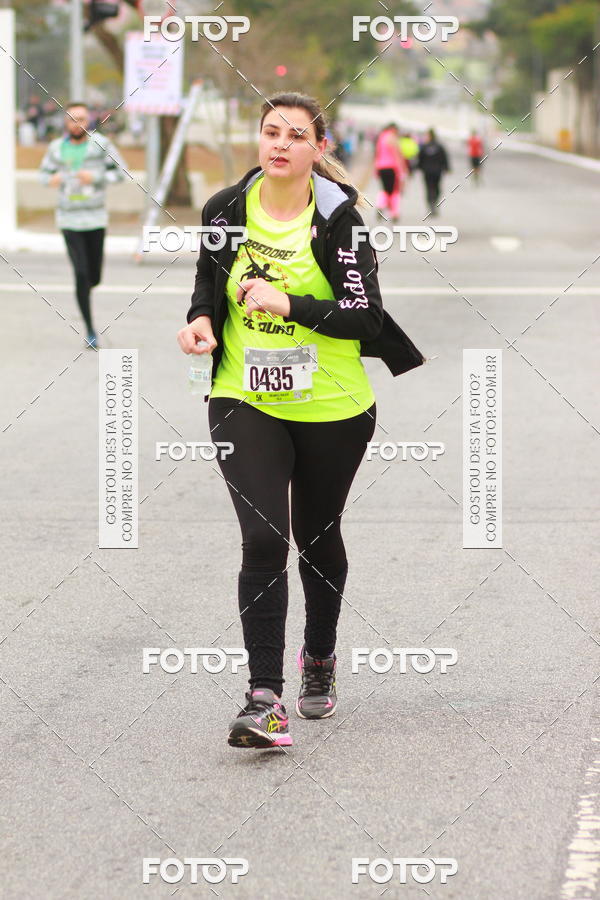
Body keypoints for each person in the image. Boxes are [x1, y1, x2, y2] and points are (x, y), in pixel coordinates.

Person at [177, 91, 425, 750]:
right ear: (258, 140)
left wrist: (288, 303)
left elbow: (365, 318)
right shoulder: (226, 209)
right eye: (270, 132)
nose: (280, 144)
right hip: (243, 395)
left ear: (319, 149)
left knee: (317, 536)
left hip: (333, 405)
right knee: (264, 538)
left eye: (295, 135)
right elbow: (207, 280)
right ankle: (264, 699)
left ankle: (319, 655)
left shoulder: (339, 220)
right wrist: (200, 321)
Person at [39, 101, 126, 348]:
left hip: (95, 218)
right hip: (69, 219)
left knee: (93, 277)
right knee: (80, 273)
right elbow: (43, 175)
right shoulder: (56, 148)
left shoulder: (101, 145)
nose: (77, 124)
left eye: (82, 119)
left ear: (89, 121)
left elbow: (121, 173)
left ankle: (86, 288)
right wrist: (52, 179)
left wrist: (96, 177)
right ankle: (89, 329)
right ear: (65, 122)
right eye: (72, 119)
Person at [373, 122, 407, 223]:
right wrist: (402, 170)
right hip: (392, 167)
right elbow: (397, 155)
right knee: (394, 191)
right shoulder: (392, 138)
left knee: (384, 189)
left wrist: (376, 168)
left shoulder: (381, 137)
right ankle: (394, 213)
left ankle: (380, 205)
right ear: (394, 129)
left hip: (381, 167)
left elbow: (377, 154)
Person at [417, 128, 450, 217]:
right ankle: (434, 203)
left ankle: (431, 204)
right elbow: (444, 158)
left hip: (427, 171)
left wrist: (418, 167)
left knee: (429, 188)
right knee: (436, 188)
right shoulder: (439, 146)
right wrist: (447, 168)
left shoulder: (424, 147)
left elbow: (420, 159)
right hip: (437, 171)